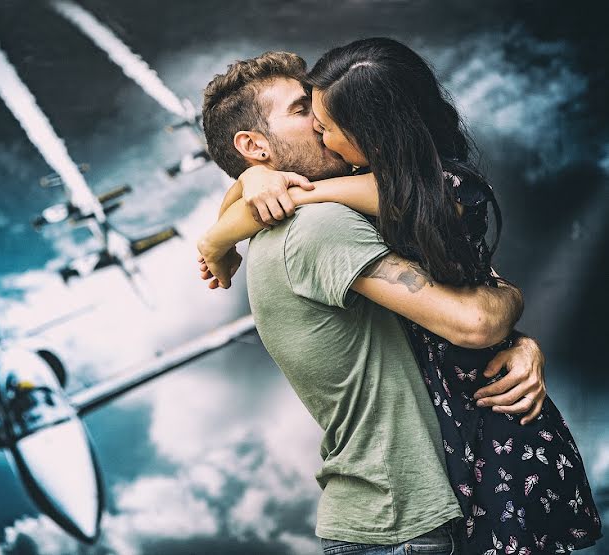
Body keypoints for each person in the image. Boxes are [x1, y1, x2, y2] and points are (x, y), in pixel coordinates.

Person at [198, 42, 601, 554]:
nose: (323, 119)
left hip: (421, 511)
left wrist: (518, 340)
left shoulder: (372, 203)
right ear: (255, 146)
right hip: (406, 526)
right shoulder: (320, 226)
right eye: (305, 112)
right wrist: (231, 215)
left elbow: (468, 297)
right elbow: (475, 319)